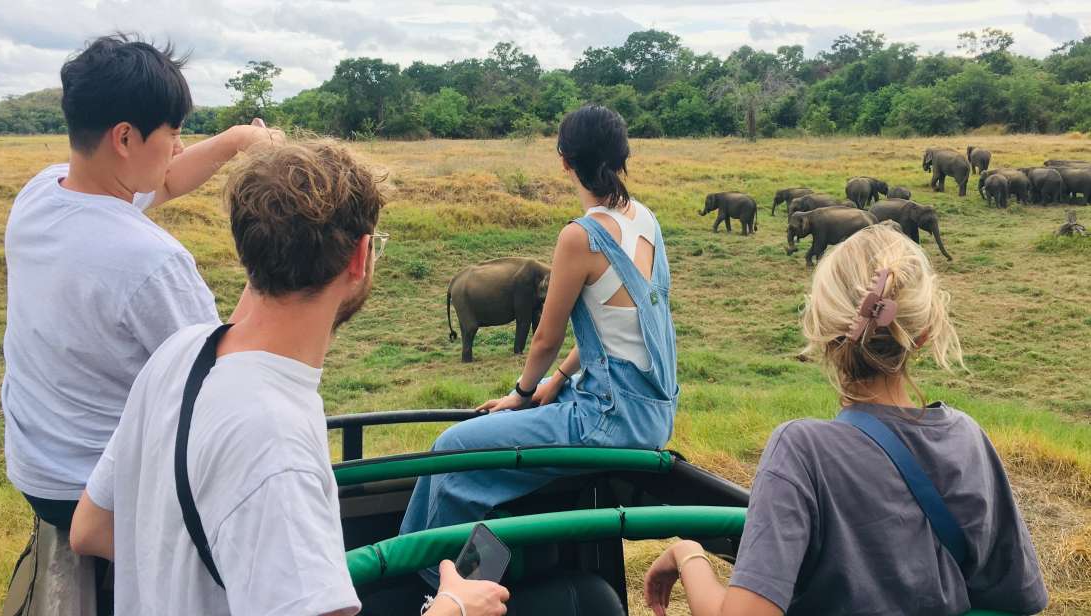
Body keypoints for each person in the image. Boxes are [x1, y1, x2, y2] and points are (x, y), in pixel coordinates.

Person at [68, 141, 509, 616]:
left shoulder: (178, 353)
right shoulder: (277, 442)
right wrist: (454, 608)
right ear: (360, 257)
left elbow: (89, 528)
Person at [0, 34, 278, 614]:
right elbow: (224, 383)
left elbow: (165, 182)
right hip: (94, 492)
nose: (179, 149)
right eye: (173, 133)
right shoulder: (151, 263)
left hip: (36, 465)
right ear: (125, 137)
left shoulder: (42, 194)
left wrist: (239, 140)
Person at [642, 223, 1048, 616]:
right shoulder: (968, 438)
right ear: (924, 333)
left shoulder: (801, 451)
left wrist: (688, 553)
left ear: (820, 329)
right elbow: (1018, 597)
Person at [400, 105, 679, 542]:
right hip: (654, 414)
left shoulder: (581, 236)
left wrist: (523, 392)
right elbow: (618, 329)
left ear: (564, 160)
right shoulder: (645, 219)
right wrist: (560, 380)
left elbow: (546, 338)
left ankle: (431, 582)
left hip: (606, 420)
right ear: (624, 154)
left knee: (452, 447)